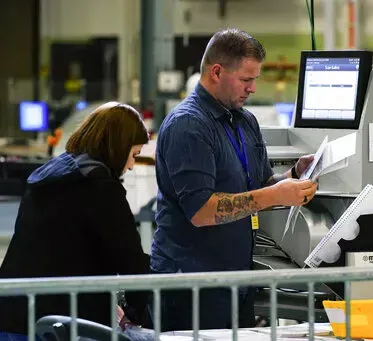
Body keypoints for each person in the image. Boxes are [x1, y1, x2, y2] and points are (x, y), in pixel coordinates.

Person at [151, 28, 318, 331]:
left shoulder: (244, 121)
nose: (253, 89)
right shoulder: (189, 125)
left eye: (255, 79)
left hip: (237, 282)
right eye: (245, 80)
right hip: (192, 287)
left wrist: (292, 176)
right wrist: (277, 195)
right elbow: (202, 211)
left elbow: (257, 189)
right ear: (216, 72)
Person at [0, 102, 151, 339]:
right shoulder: (100, 187)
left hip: (13, 312)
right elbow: (130, 259)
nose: (131, 166)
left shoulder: (49, 174)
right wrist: (136, 311)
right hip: (63, 323)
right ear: (118, 147)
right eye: (133, 155)